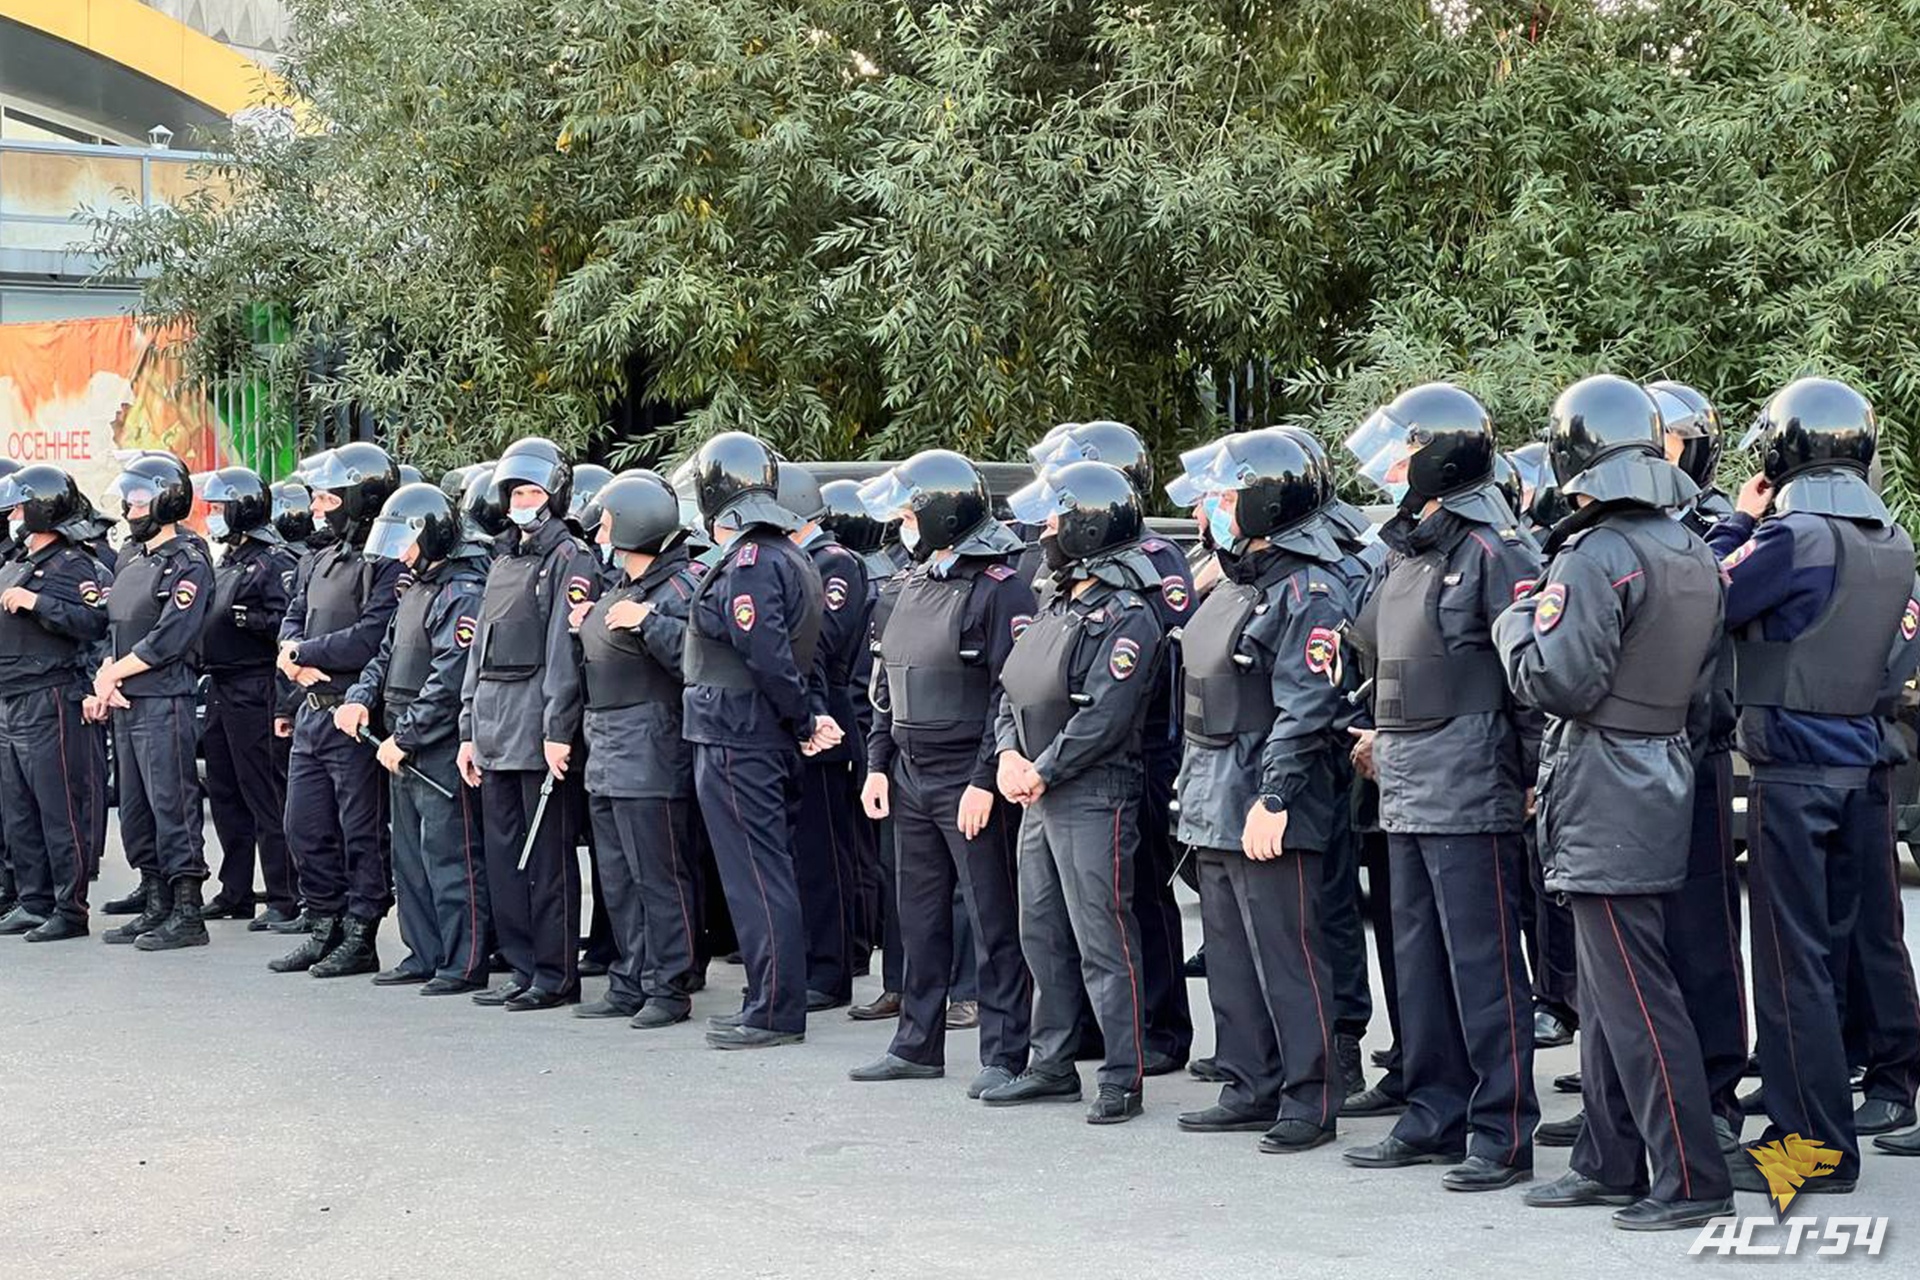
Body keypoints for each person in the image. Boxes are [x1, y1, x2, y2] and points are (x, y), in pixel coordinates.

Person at [1494, 374, 1733, 1231]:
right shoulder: (1690, 548)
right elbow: (1710, 696)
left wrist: (1515, 626)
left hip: (1606, 780)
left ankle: (1692, 1176)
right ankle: (1607, 1157)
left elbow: (1560, 679)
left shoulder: (1595, 555)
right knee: (1612, 990)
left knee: (1635, 995)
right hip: (1657, 768)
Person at [1708, 377, 1915, 1196]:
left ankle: (1811, 1150)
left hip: (1794, 772)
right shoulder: (1892, 537)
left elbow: (1706, 597)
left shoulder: (1792, 537)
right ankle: (1834, 1126)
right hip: (1861, 766)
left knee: (1794, 972)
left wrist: (1737, 518)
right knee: (1835, 959)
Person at [1342, 382, 1541, 1190]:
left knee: (1483, 966)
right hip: (1408, 780)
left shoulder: (1498, 550)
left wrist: (1530, 779)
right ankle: (1433, 1110)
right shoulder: (1409, 549)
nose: (1391, 467)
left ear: (1439, 455)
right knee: (1419, 961)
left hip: (1472, 782)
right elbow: (1372, 649)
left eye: (1404, 450)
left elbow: (1531, 681)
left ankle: (1503, 1128)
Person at [1164, 430, 1351, 1153]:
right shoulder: (1236, 580)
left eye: (1227, 496)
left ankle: (1311, 1097)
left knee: (1288, 952)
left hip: (1267, 794)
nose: (1214, 508)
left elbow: (1306, 705)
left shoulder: (1310, 589)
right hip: (1214, 788)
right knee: (1232, 954)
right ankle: (1249, 1081)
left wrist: (1274, 796)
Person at [847, 449, 1035, 1094]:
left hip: (965, 773)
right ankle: (916, 1043)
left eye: (908, 514)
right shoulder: (910, 583)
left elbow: (1003, 695)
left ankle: (1005, 1052)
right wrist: (877, 765)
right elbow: (886, 686)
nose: (901, 526)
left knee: (991, 917)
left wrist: (984, 779)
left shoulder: (1001, 586)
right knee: (917, 915)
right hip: (908, 770)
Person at [983, 460, 1163, 1123]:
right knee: (1042, 932)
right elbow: (1014, 688)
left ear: (1088, 527)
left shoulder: (1129, 616)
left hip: (1091, 793)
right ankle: (1051, 1062)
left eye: (1056, 520)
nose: (1046, 532)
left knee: (1102, 940)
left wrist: (1043, 768)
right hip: (1038, 789)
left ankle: (1123, 1075)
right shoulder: (1055, 600)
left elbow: (1107, 717)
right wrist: (1007, 754)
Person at [1028, 420, 1195, 1072]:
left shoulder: (1153, 559)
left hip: (1142, 744)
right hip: (1075, 753)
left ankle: (1161, 1028)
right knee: (1072, 910)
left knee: (1142, 892)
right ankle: (1099, 1026)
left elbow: (1169, 650)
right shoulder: (1072, 570)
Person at [682, 432, 828, 1049]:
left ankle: (773, 1009)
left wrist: (802, 719)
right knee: (759, 871)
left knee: (757, 874)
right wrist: (806, 717)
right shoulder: (783, 553)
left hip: (740, 734)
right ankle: (765, 999)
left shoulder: (753, 561)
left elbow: (766, 653)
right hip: (748, 730)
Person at [337, 483, 492, 995]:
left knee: (451, 857)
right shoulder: (415, 589)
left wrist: (404, 737)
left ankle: (462, 961)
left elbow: (449, 678)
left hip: (436, 743)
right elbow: (383, 656)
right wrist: (359, 697)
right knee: (410, 858)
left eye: (407, 539)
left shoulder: (461, 592)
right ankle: (422, 952)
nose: (400, 552)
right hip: (401, 740)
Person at [458, 437, 589, 1011]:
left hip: (538, 729)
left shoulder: (570, 558)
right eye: (515, 492)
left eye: (533, 492)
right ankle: (521, 965)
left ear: (555, 495)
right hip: (492, 727)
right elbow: (477, 653)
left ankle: (556, 974)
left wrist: (558, 728)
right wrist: (467, 730)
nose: (522, 502)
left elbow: (564, 651)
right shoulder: (502, 556)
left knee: (547, 861)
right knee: (506, 858)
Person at [572, 471, 704, 1027]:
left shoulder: (675, 589)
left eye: (607, 522)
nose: (601, 533)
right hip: (606, 747)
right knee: (618, 876)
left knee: (658, 874)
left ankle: (668, 986)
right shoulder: (623, 585)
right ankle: (631, 977)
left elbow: (697, 659)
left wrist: (649, 624)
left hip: (650, 748)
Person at [272, 444, 404, 976]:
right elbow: (293, 618)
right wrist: (292, 659)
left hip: (354, 716)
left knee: (361, 832)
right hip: (310, 711)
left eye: (330, 496)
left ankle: (360, 932)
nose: (320, 506)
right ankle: (323, 922)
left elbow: (372, 635)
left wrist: (305, 653)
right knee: (303, 826)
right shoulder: (319, 557)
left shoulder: (386, 564)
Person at [95, 451, 216, 950]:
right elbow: (114, 627)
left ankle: (188, 910)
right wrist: (107, 675)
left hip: (164, 700)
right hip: (126, 699)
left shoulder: (189, 561)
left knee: (173, 804)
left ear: (167, 499)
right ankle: (154, 898)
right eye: (128, 498)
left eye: (140, 498)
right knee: (136, 807)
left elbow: (172, 636)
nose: (130, 508)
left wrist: (114, 673)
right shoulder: (130, 558)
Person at [0, 464, 110, 940]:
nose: (15, 516)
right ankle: (33, 898)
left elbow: (93, 623)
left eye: (22, 507)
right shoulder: (17, 562)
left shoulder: (73, 564)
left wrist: (36, 603)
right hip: (10, 698)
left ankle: (70, 907)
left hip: (49, 698)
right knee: (19, 809)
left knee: (59, 805)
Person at [775, 462, 869, 1012]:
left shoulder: (834, 564)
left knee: (824, 851)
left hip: (828, 715)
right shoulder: (799, 563)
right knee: (799, 849)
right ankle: (811, 959)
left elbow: (821, 639)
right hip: (798, 712)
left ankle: (831, 970)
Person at [197, 467, 299, 926]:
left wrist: (246, 620)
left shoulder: (273, 560)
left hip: (255, 685)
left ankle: (282, 894)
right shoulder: (230, 558)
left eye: (221, 508)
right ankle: (234, 890)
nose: (214, 516)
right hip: (220, 684)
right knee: (224, 791)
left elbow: (287, 625)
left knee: (263, 791)